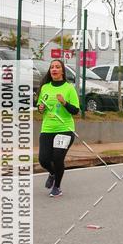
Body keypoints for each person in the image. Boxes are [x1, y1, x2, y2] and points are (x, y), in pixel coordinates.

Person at [37, 59, 80, 198]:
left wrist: (64, 102)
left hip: (65, 128)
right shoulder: (45, 88)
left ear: (62, 70)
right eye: (52, 67)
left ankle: (57, 187)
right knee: (43, 160)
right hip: (47, 128)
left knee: (57, 157)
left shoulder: (69, 88)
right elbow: (40, 106)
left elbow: (75, 110)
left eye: (57, 67)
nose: (54, 69)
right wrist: (40, 108)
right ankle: (52, 172)